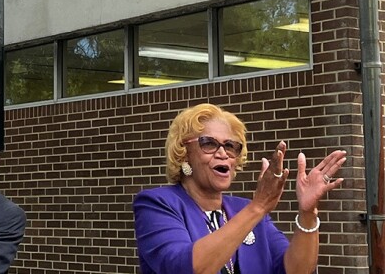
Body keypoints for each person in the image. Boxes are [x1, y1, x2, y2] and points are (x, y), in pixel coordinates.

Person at [133, 103, 347, 274]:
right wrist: (259, 206)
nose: (222, 153)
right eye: (208, 143)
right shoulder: (157, 203)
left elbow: (296, 270)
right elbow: (184, 268)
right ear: (184, 152)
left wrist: (308, 213)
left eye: (230, 146)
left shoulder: (244, 210)